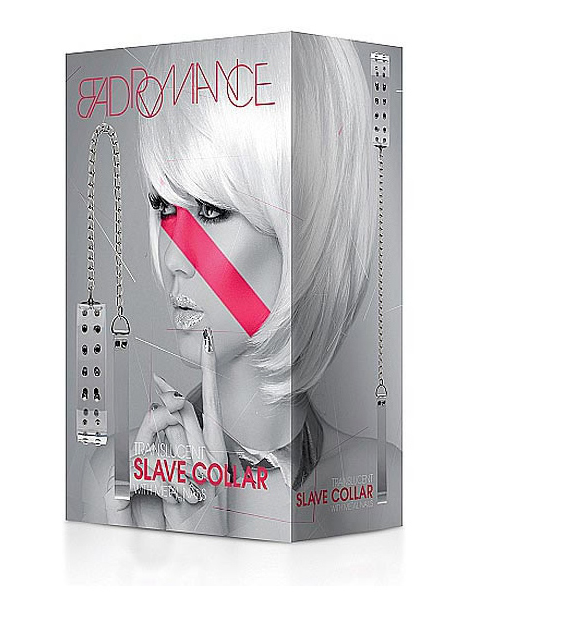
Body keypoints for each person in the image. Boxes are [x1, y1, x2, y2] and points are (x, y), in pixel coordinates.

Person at [82, 34, 400, 540]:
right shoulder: (118, 481)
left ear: (305, 226)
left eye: (211, 211)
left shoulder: (381, 484)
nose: (172, 258)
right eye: (163, 207)